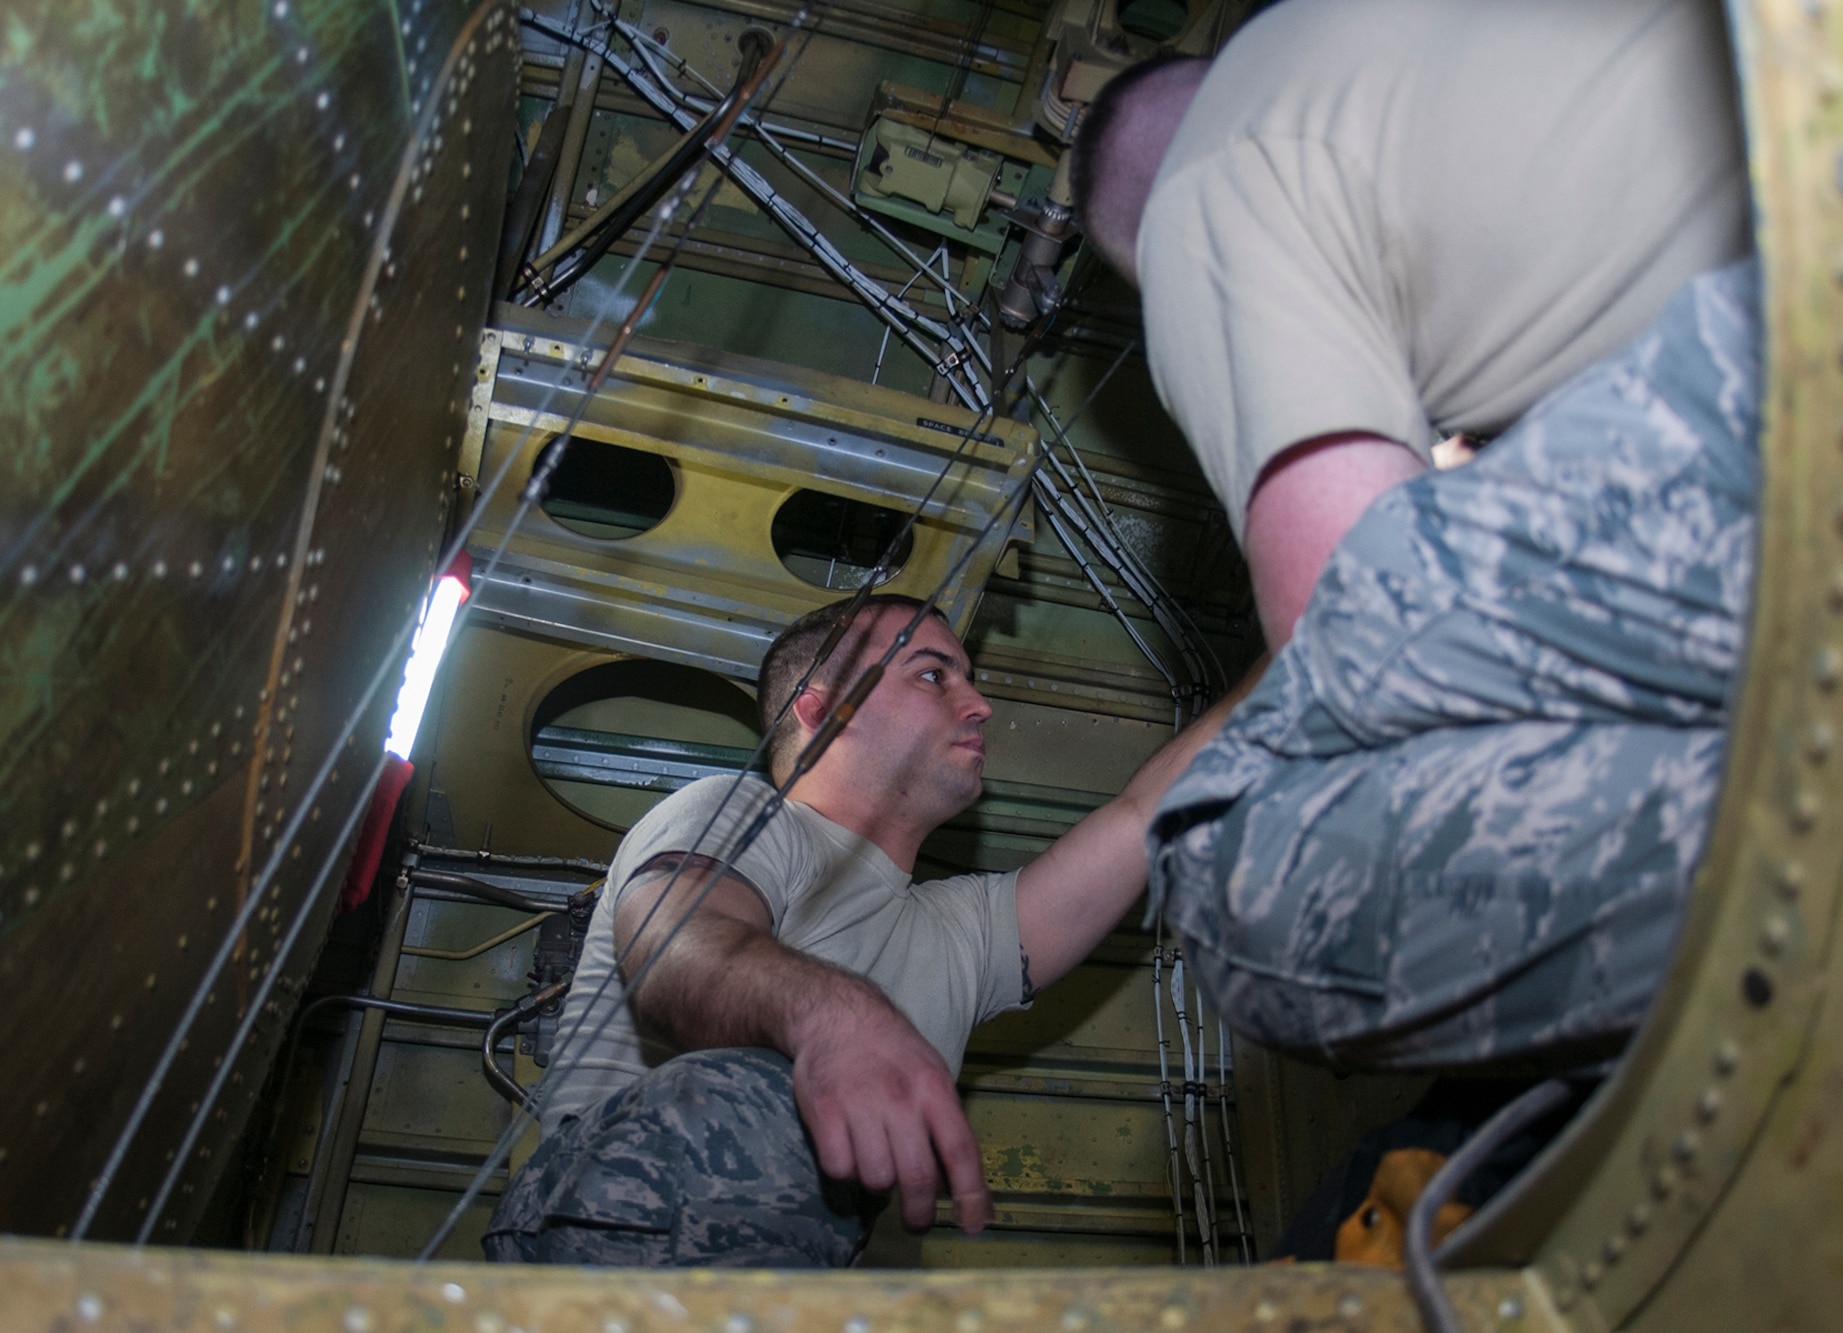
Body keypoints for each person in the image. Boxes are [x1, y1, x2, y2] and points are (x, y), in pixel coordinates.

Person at [1070, 0, 1760, 1070]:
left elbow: (1349, 628)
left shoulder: (1200, 187)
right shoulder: (1379, 49)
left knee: (1230, 872)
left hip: (1787, 379)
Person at [484, 594, 1258, 1266]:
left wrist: (1305, 653)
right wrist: (834, 1016)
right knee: (767, 1094)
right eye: (933, 674)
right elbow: (674, 942)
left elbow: (1144, 812)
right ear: (820, 712)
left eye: (969, 677)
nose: (979, 702)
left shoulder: (962, 935)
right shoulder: (741, 813)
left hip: (808, 1286)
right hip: (608, 1244)